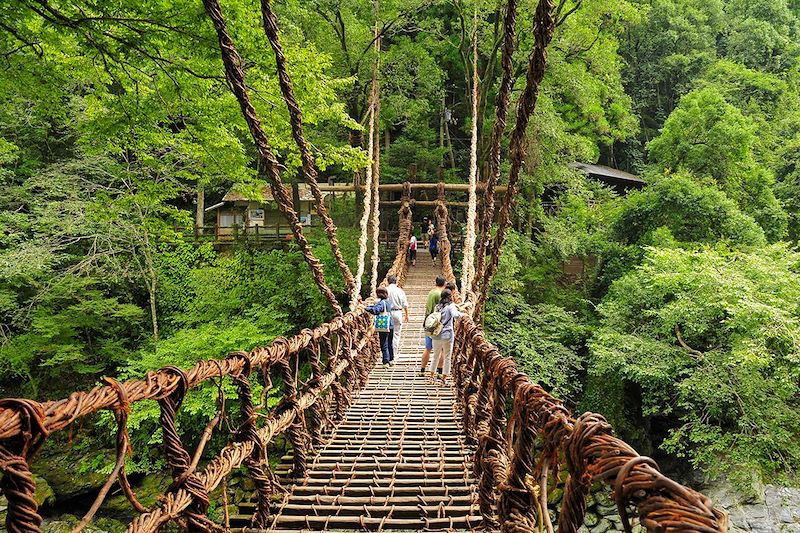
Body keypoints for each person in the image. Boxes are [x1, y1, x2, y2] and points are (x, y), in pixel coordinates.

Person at [429, 288, 463, 384]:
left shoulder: (437, 307)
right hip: (447, 335)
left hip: (436, 334)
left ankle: (431, 377)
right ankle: (443, 379)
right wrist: (463, 314)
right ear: (450, 296)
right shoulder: (451, 306)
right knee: (447, 356)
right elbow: (456, 316)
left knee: (435, 355)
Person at [419, 275, 446, 376]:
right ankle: (439, 372)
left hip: (429, 321)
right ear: (444, 283)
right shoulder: (441, 294)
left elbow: (428, 308)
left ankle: (422, 370)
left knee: (428, 348)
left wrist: (425, 320)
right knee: (441, 349)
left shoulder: (431, 292)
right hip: (438, 324)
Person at [365, 286, 395, 366]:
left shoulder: (381, 303)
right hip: (391, 324)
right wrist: (368, 307)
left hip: (384, 325)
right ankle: (391, 359)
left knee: (384, 343)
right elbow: (376, 307)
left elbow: (376, 310)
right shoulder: (387, 302)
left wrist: (366, 308)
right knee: (389, 342)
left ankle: (386, 361)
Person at [386, 275, 409, 357]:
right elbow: (405, 304)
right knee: (396, 334)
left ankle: (387, 354)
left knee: (387, 334)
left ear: (388, 281)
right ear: (396, 282)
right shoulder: (400, 291)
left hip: (387, 314)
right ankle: (394, 354)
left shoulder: (385, 290)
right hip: (398, 313)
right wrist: (406, 315)